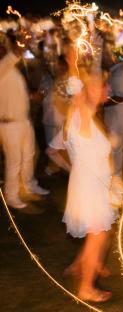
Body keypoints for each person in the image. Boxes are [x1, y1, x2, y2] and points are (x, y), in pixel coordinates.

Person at [47, 35, 117, 302]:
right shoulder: (82, 114)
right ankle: (86, 287)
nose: (106, 90)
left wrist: (97, 53)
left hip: (91, 184)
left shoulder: (89, 117)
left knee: (98, 234)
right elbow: (78, 89)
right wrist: (73, 61)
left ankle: (81, 266)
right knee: (97, 237)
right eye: (102, 87)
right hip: (89, 188)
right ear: (90, 92)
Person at [0, 32, 49, 209]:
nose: (3, 50)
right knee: (14, 161)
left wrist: (31, 96)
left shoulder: (10, 69)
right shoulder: (3, 66)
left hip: (23, 121)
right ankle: (11, 195)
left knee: (28, 156)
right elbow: (14, 55)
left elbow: (12, 92)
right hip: (9, 124)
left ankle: (28, 185)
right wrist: (23, 43)